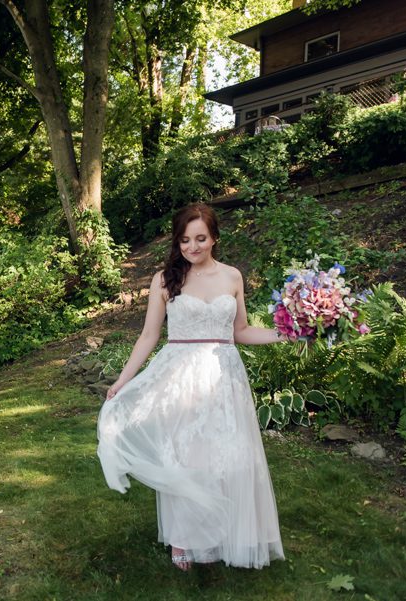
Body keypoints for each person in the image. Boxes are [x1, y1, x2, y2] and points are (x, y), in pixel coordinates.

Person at [96, 202, 289, 572]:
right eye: (185, 240)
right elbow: (149, 335)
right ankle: (184, 538)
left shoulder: (232, 277)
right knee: (187, 458)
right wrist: (124, 379)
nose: (193, 247)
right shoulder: (165, 279)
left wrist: (288, 332)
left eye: (201, 238)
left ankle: (227, 533)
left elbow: (242, 332)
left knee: (230, 456)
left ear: (215, 237)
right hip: (180, 376)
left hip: (224, 377)